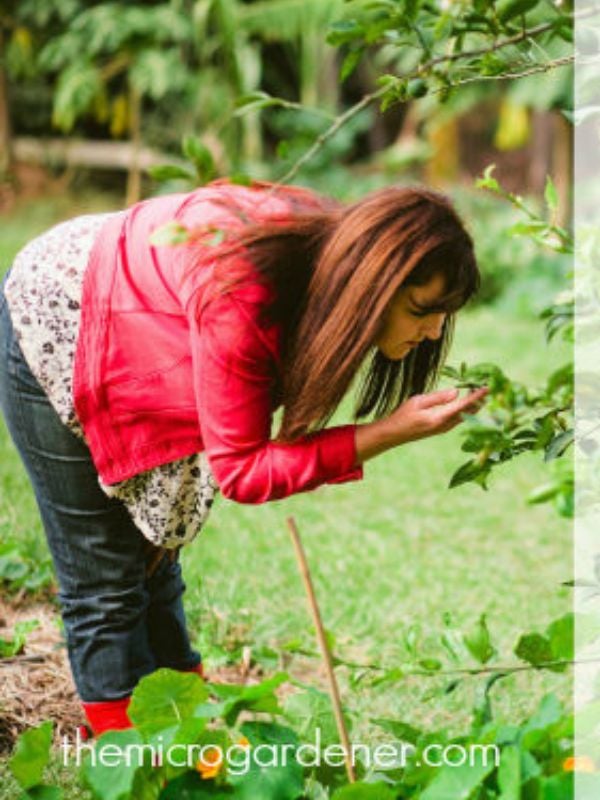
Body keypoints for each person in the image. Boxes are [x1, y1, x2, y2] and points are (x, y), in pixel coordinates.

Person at [0, 178, 487, 736]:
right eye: (422, 310)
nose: (433, 332)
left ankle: (190, 744)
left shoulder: (320, 266)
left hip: (137, 323)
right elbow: (243, 470)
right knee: (104, 580)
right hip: (55, 315)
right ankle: (129, 763)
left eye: (445, 315)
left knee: (154, 567)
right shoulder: (247, 291)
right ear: (373, 284)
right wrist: (387, 433)